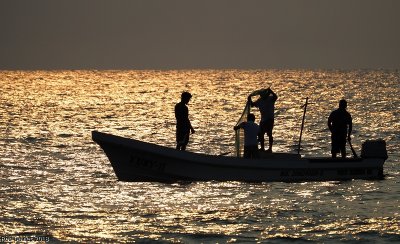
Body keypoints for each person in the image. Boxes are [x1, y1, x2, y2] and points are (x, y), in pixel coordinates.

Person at [248, 88, 278, 152]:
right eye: (261, 94)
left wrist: (271, 91)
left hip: (270, 119)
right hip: (263, 119)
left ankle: (270, 148)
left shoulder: (270, 98)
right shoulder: (260, 100)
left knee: (269, 134)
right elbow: (252, 105)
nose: (261, 95)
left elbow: (275, 97)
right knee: (261, 134)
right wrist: (249, 99)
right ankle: (262, 148)